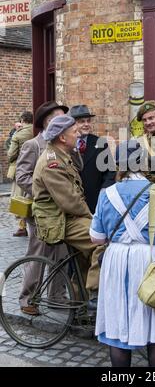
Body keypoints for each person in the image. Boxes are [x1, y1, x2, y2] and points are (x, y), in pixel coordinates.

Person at [90, 140, 155, 367]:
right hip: (151, 260)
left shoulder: (107, 194)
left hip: (117, 259)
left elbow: (96, 238)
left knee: (118, 329)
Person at [32, 115, 105, 309]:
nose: (79, 134)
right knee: (102, 240)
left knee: (83, 261)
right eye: (74, 132)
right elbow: (70, 202)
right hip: (60, 220)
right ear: (62, 138)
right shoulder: (51, 163)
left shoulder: (63, 155)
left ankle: (79, 309)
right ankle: (95, 295)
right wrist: (94, 219)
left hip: (68, 217)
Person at [16, 101, 70, 315]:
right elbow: (21, 176)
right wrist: (44, 193)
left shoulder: (62, 145)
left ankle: (57, 297)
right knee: (38, 253)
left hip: (61, 211)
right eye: (60, 118)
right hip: (40, 210)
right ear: (48, 121)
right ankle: (27, 298)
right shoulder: (33, 145)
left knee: (62, 254)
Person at [69, 104, 114, 213]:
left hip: (95, 203)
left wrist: (104, 191)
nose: (86, 124)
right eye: (82, 121)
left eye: (88, 121)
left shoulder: (100, 143)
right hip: (72, 202)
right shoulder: (67, 144)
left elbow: (110, 171)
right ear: (73, 124)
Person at [7, 111, 33, 237]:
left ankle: (22, 227)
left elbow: (11, 154)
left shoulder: (18, 134)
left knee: (20, 198)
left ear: (23, 120)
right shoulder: (37, 131)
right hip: (36, 168)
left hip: (21, 169)